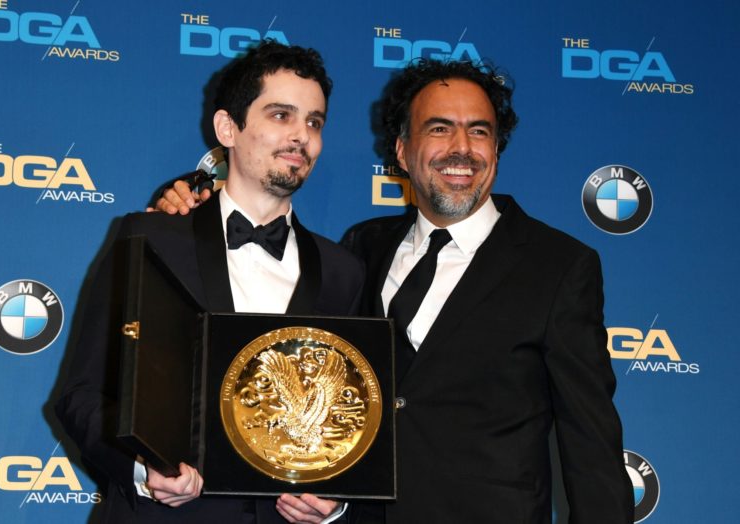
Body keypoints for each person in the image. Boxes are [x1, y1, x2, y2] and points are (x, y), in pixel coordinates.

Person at [155, 59, 634, 523]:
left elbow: (590, 442)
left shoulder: (558, 266)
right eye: (440, 128)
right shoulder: (362, 249)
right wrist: (191, 209)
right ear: (403, 151)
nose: (462, 148)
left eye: (480, 131)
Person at [55, 41, 363, 523]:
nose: (302, 135)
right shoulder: (149, 236)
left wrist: (336, 502)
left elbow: (354, 417)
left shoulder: (344, 270)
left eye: (314, 121)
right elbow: (82, 394)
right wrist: (142, 469)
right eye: (281, 115)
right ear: (228, 128)